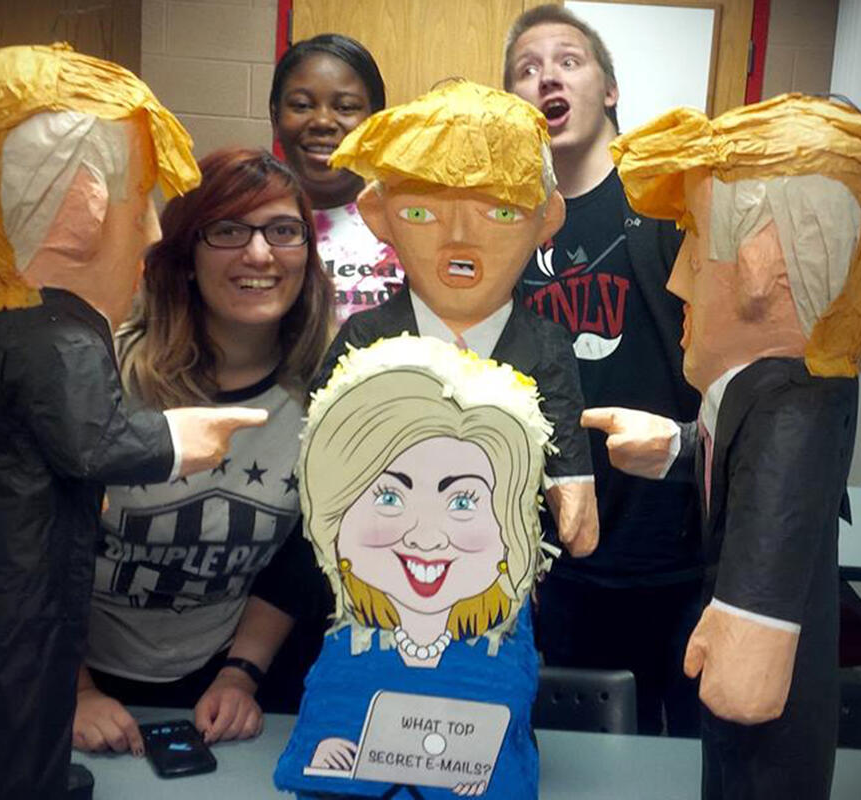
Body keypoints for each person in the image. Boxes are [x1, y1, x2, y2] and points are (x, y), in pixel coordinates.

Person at [0, 44, 267, 798]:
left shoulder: (13, 317)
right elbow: (95, 440)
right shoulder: (56, 332)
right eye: (139, 199)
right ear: (80, 206)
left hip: (17, 545)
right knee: (21, 677)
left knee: (21, 680)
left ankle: (33, 772)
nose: (150, 233)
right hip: (24, 558)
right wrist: (186, 438)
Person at [605, 94, 861, 798]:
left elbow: (781, 506)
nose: (676, 278)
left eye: (694, 240)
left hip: (772, 711)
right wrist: (679, 447)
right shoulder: (761, 388)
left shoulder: (798, 405)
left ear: (765, 262)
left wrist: (749, 630)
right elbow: (738, 457)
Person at [70, 148, 335, 754]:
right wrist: (76, 691)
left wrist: (242, 673)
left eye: (284, 231)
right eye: (228, 231)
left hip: (228, 666)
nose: (260, 253)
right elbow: (27, 552)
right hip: (77, 668)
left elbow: (299, 555)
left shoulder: (325, 390)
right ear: (186, 254)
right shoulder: (105, 373)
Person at [502, 4, 702, 736]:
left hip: (673, 547)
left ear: (609, 89)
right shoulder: (508, 220)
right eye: (527, 69)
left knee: (679, 755)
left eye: (567, 60)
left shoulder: (670, 204)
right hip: (558, 558)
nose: (546, 75)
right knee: (573, 750)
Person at [318, 78, 599, 559]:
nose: (460, 239)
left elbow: (577, 510)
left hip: (494, 575)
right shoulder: (366, 339)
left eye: (502, 214)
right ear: (377, 214)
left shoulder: (545, 344)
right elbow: (318, 463)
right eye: (422, 214)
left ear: (547, 219)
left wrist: (571, 491)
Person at [275, 336, 551, 798]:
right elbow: (331, 728)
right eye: (388, 496)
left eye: (463, 500)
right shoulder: (349, 633)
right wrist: (327, 758)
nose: (425, 536)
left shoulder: (502, 637)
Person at [270, 33, 402, 324]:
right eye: (302, 105)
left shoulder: (406, 230)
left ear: (375, 124)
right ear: (275, 117)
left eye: (345, 107)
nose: (322, 122)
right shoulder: (245, 227)